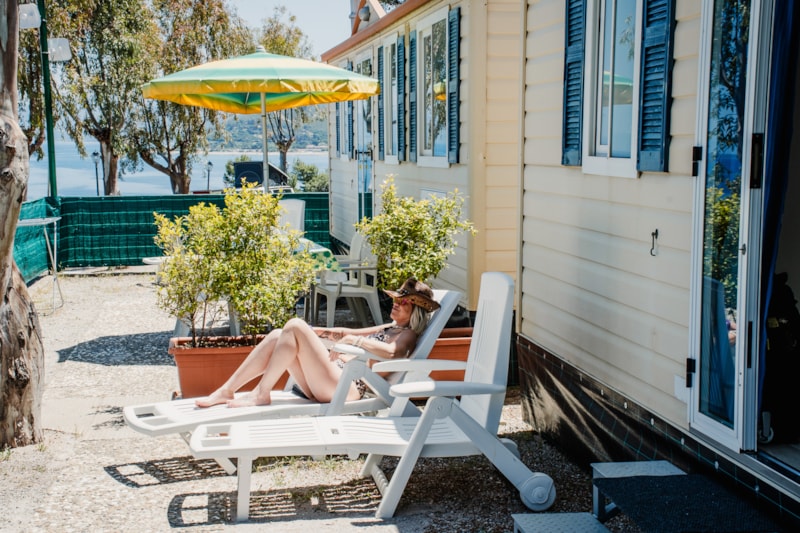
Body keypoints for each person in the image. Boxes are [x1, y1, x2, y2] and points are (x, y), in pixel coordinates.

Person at [195, 278, 441, 408]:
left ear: (416, 311)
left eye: (403, 301)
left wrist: (354, 341)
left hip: (347, 386)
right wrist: (319, 333)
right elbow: (346, 331)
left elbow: (392, 353)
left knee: (293, 325)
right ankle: (228, 389)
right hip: (331, 381)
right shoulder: (390, 327)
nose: (396, 303)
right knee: (279, 335)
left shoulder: (407, 335)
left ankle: (261, 393)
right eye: (397, 299)